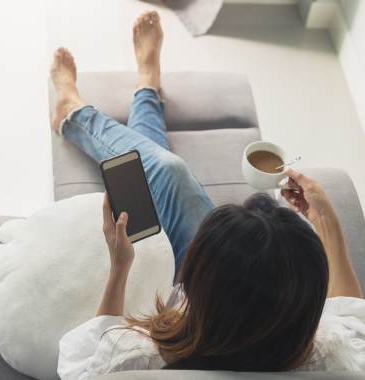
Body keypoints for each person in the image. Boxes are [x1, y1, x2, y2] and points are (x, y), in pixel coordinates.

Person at [53, 11, 365, 378]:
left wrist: (120, 268)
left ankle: (74, 114)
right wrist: (326, 218)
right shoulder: (334, 358)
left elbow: (79, 363)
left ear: (198, 286)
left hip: (186, 293)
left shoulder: (136, 356)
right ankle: (146, 90)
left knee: (169, 172)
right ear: (306, 305)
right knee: (164, 171)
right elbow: (353, 322)